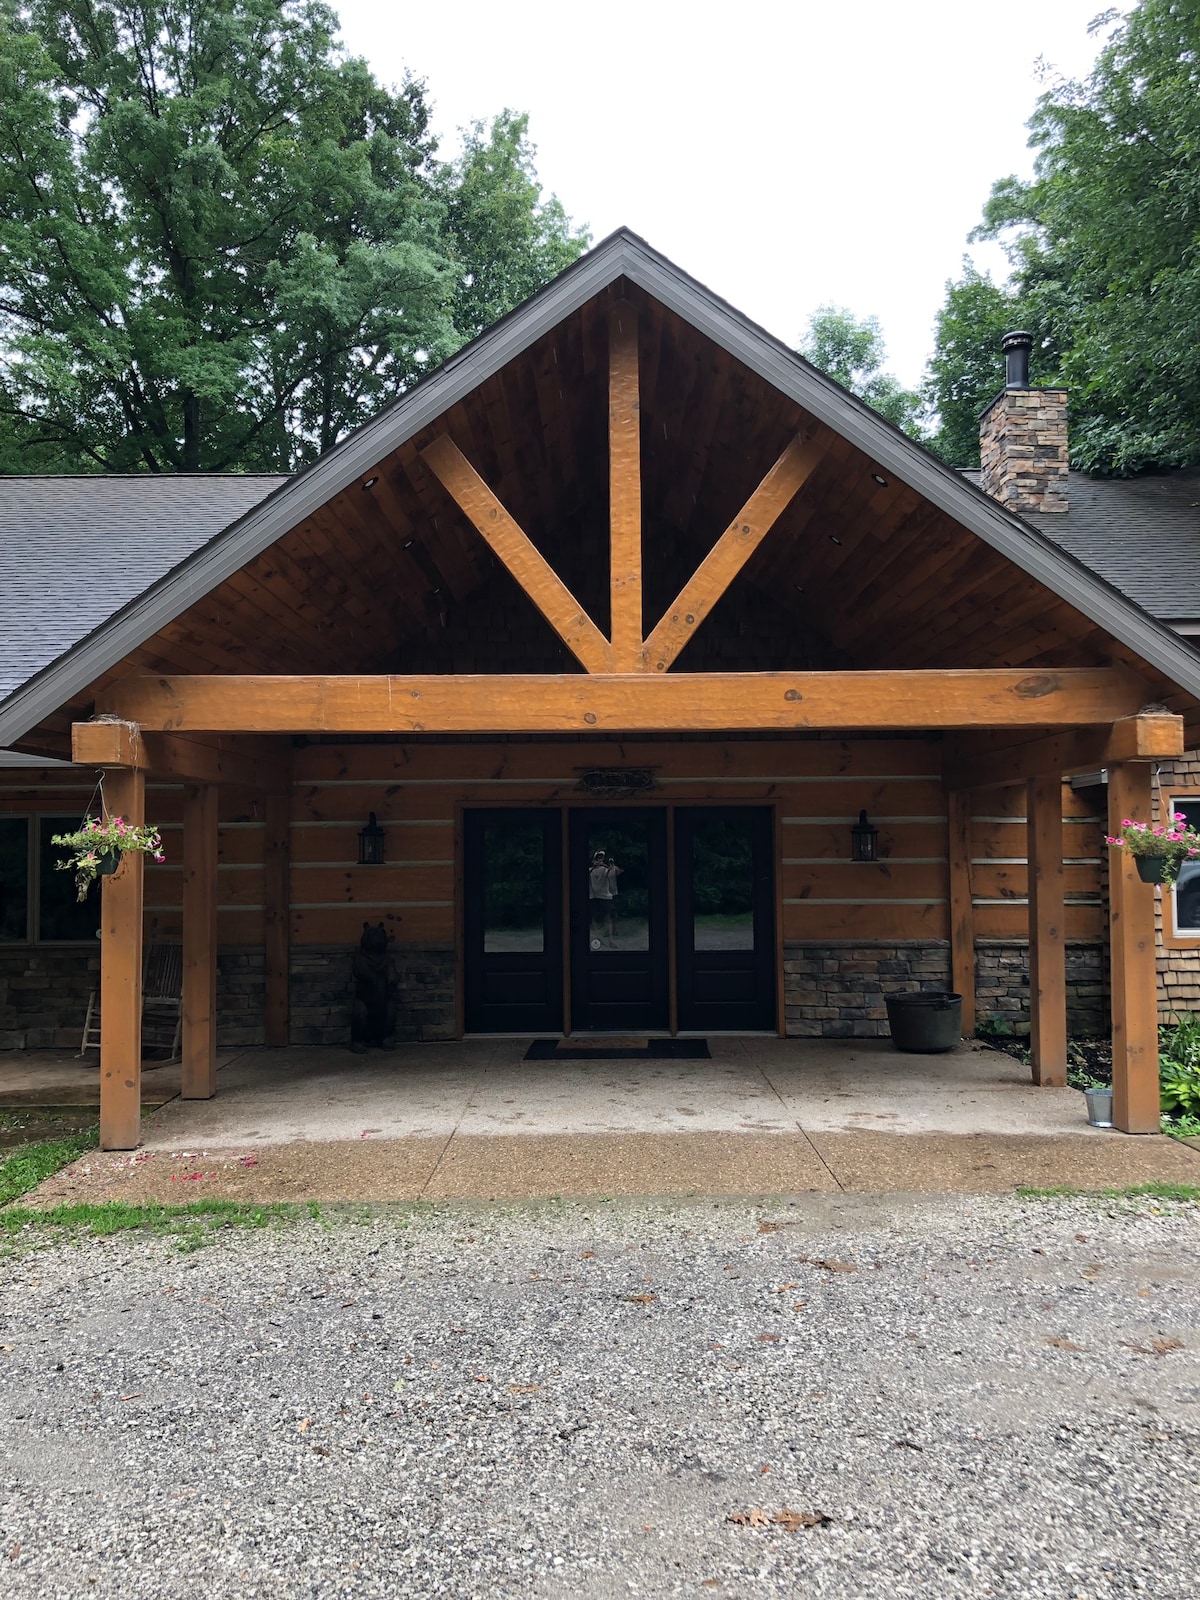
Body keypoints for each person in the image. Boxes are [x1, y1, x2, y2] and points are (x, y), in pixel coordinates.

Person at [588, 849, 622, 945]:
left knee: (608, 918)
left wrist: (610, 867)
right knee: (593, 919)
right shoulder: (590, 870)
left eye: (601, 858)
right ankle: (599, 939)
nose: (599, 860)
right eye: (598, 858)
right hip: (593, 897)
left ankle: (610, 940)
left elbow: (617, 872)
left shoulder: (606, 870)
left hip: (605, 897)